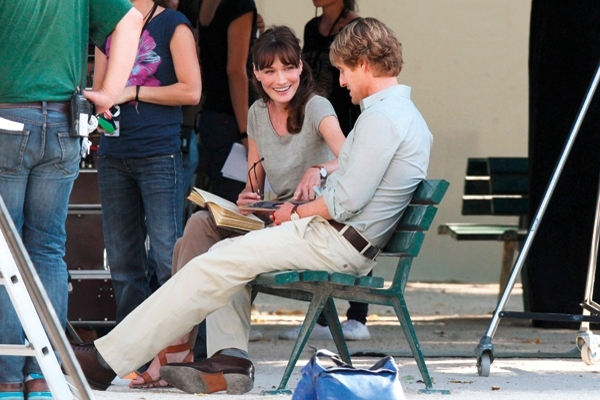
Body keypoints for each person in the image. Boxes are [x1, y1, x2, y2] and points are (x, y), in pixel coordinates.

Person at [74, 17, 432, 396]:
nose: (342, 81)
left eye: (344, 71)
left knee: (216, 260)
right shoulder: (398, 114)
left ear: (362, 63)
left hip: (335, 240)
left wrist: (294, 211)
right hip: (338, 237)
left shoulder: (382, 118)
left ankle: (107, 358)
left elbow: (345, 201)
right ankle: (229, 359)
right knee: (223, 254)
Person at [127, 24, 346, 389]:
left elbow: (351, 158)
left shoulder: (316, 106)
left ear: (300, 68)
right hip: (273, 219)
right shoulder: (257, 112)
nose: (280, 79)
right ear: (256, 74)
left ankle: (175, 350)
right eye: (269, 70)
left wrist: (319, 169)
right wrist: (247, 198)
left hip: (305, 223)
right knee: (198, 226)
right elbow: (253, 184)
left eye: (288, 68)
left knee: (190, 248)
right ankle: (181, 349)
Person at [0, 1, 143, 399]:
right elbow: (132, 19)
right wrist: (109, 93)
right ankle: (42, 377)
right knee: (47, 248)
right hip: (65, 122)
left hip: (7, 119)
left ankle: (7, 378)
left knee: (6, 255)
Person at [94, 0, 201, 323]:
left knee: (168, 256)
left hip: (159, 153)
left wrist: (133, 92)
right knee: (122, 260)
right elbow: (100, 93)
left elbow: (192, 91)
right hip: (113, 153)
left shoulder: (173, 24)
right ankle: (133, 344)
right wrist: (101, 115)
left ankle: (179, 341)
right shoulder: (105, 25)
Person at [279, 0, 371, 342]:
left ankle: (358, 315)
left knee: (354, 216)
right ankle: (320, 316)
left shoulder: (357, 26)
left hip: (351, 125)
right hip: (322, 125)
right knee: (320, 217)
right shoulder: (311, 27)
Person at [192, 0, 258, 203]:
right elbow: (235, 70)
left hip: (210, 115)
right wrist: (245, 131)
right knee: (237, 207)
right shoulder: (241, 4)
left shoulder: (204, 3)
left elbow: (201, 56)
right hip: (233, 120)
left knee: (215, 203)